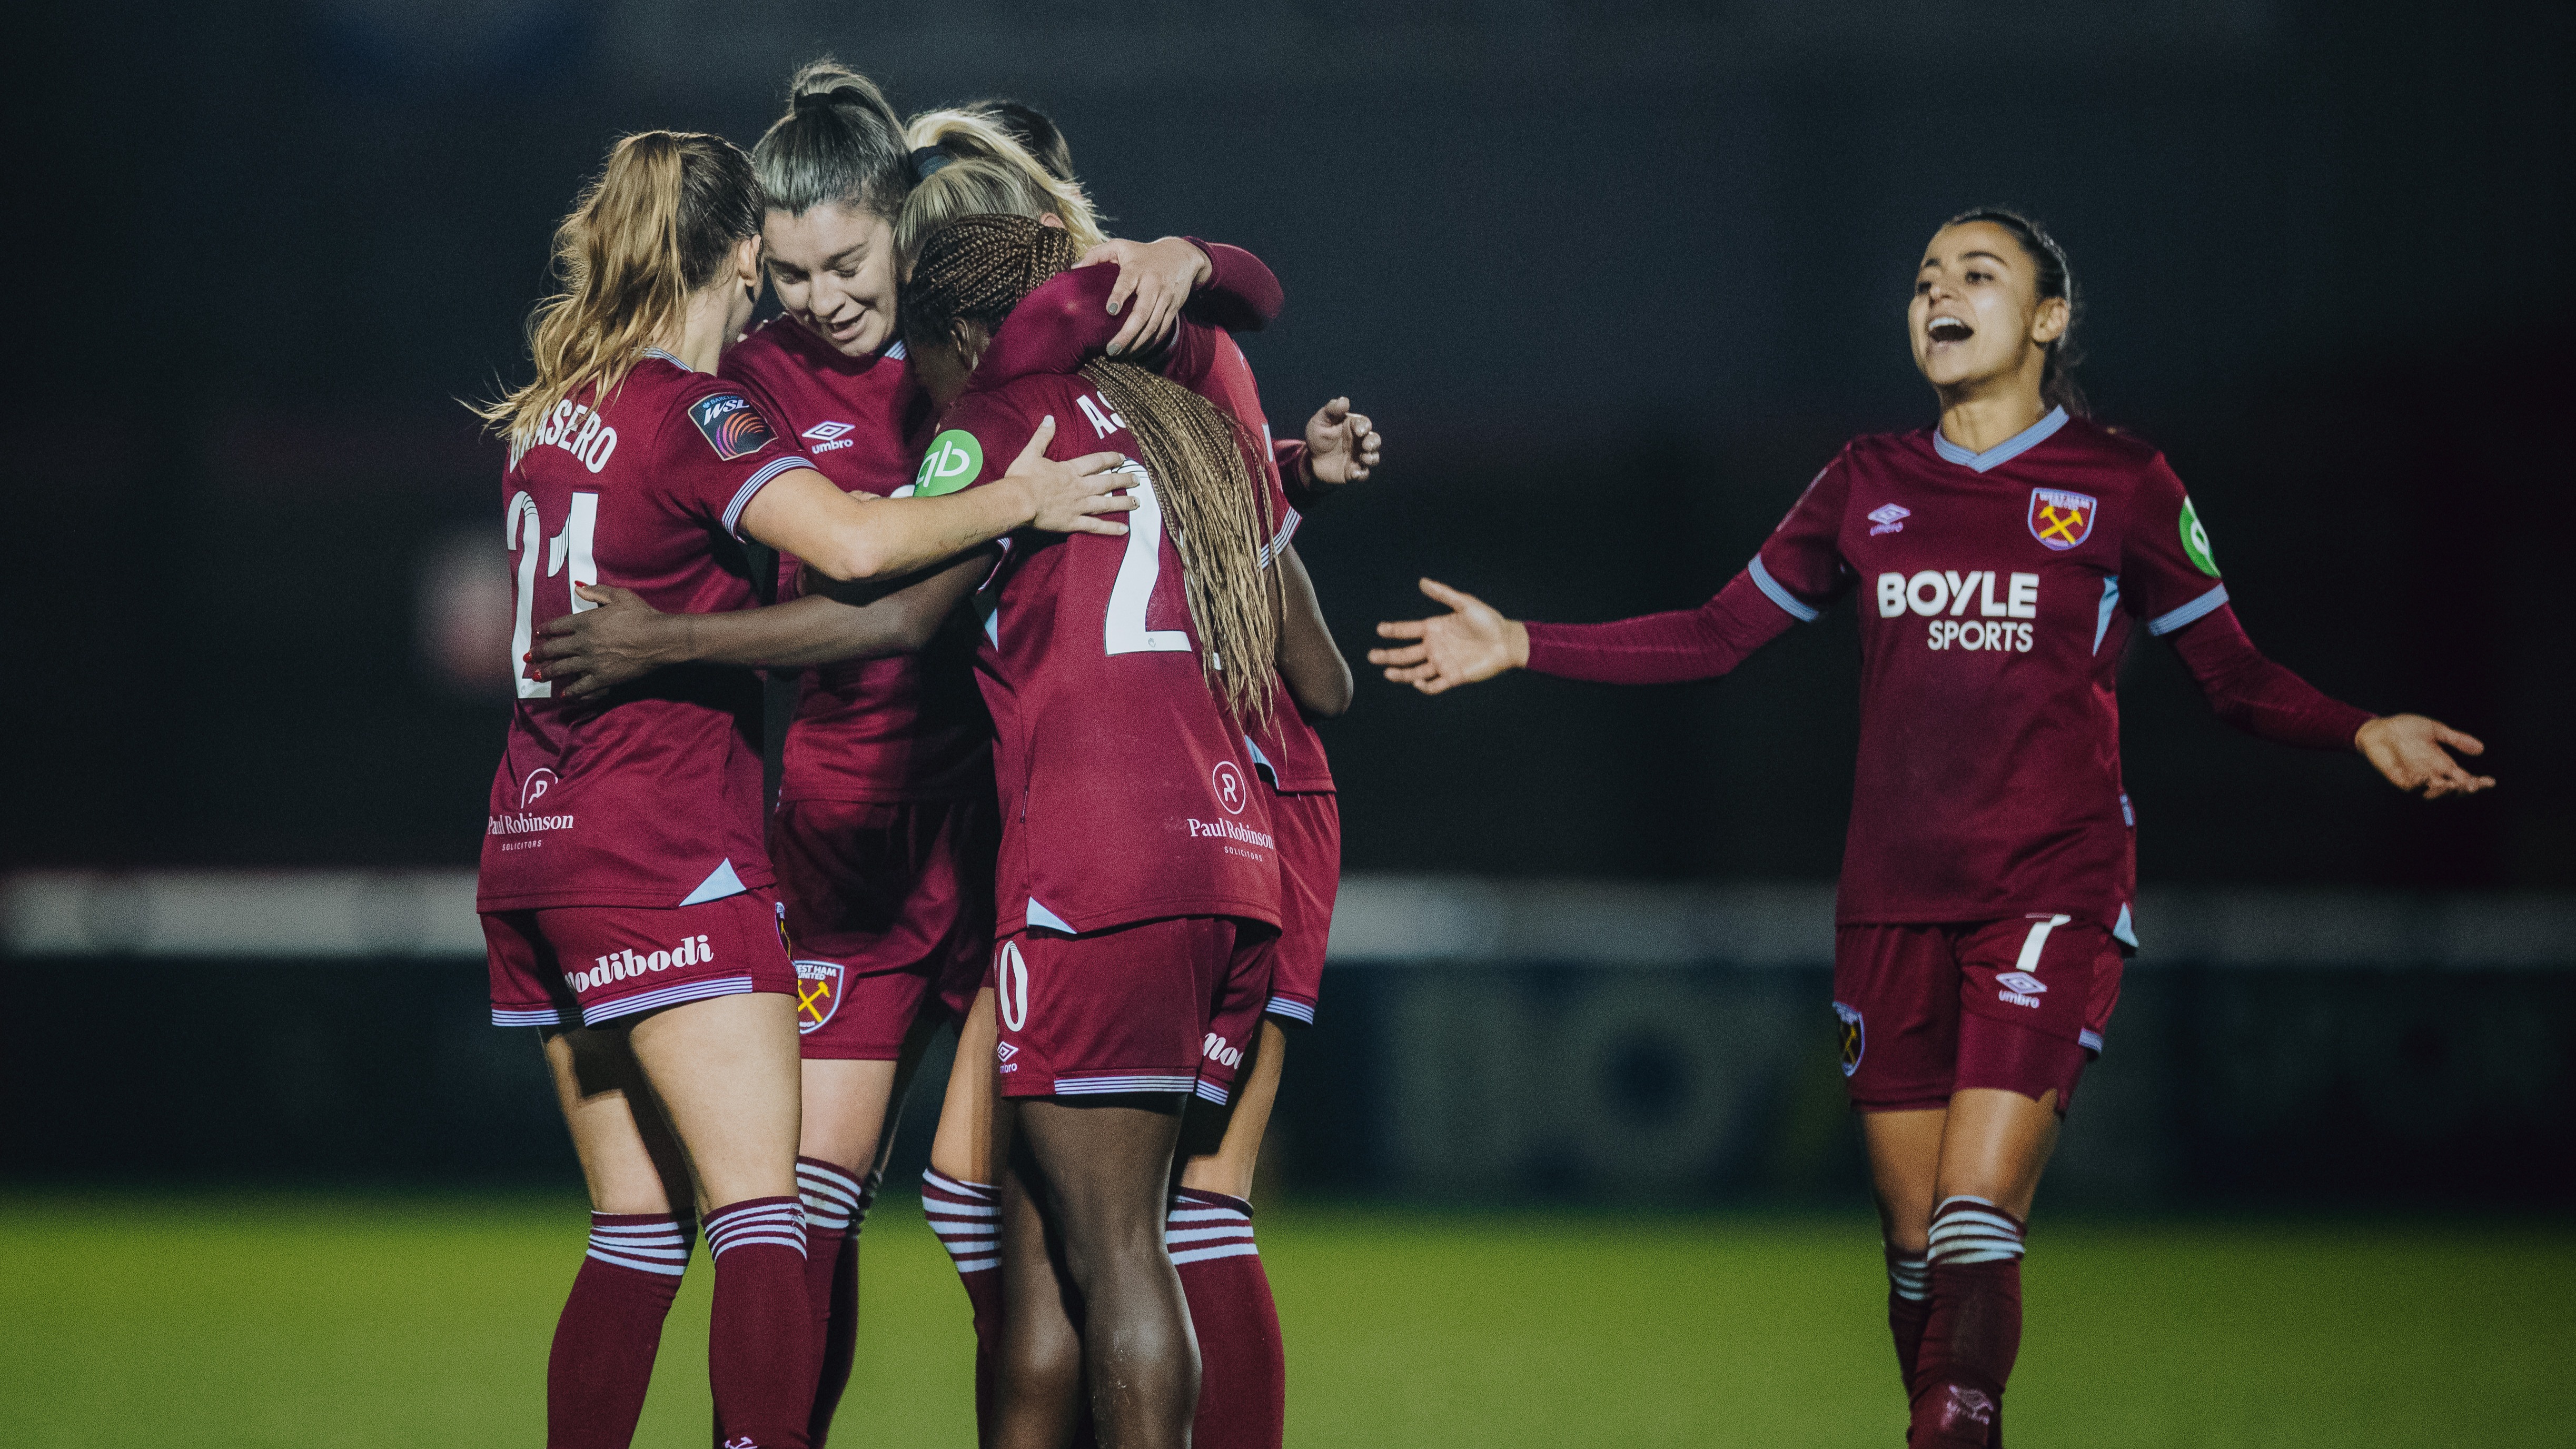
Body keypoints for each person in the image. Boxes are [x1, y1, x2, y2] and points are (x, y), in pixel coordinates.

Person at [1366, 207, 2494, 1448]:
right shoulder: (1866, 479)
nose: (1939, 293)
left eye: (1977, 273)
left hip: (2050, 887)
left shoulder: (2121, 481)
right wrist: (1524, 641)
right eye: (1922, 279)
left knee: (1970, 1216)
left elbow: (2229, 674)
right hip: (1890, 896)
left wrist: (2357, 726)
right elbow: (1717, 630)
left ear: (2048, 318)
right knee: (1913, 1245)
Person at [524, 61, 1290, 1447]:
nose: (821, 296)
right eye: (791, 270)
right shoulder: (746, 383)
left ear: (905, 223)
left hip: (1011, 821)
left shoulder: (988, 352)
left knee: (1001, 1201)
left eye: (849, 259)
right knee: (810, 1199)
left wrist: (1203, 308)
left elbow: (1156, 422)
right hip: (846, 831)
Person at [902, 212, 1342, 1449]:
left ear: (963, 334)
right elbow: (1325, 681)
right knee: (1050, 1245)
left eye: (919, 352)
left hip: (1093, 869)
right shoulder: (1195, 424)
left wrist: (676, 636)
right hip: (1236, 864)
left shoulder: (994, 427)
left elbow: (881, 620)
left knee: (1114, 1251)